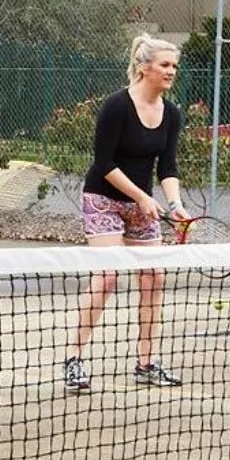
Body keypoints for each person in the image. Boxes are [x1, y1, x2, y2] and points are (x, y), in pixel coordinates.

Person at [64, 34, 185, 392]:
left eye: (174, 66)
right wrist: (141, 198)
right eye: (165, 65)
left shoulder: (172, 114)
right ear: (144, 67)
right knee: (108, 276)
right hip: (103, 199)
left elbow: (168, 167)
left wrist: (174, 205)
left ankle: (146, 363)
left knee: (154, 278)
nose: (171, 71)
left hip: (140, 208)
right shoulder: (116, 106)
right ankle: (74, 360)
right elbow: (104, 164)